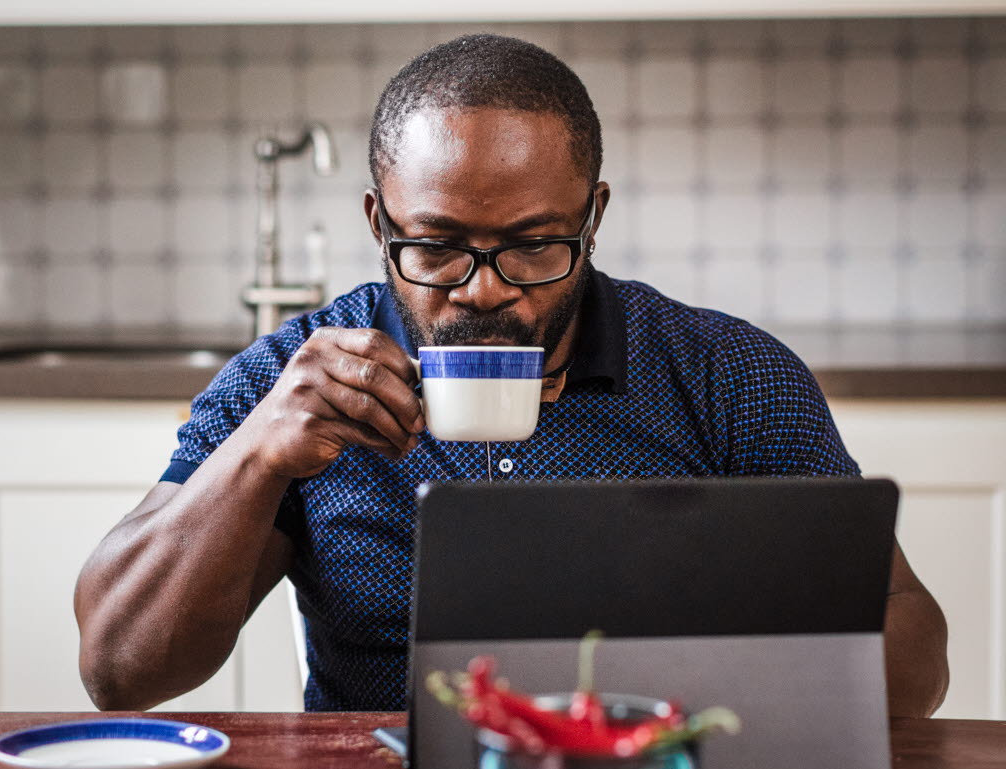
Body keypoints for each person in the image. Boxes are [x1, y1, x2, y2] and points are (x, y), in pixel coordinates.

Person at [75, 34, 948, 717]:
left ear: (593, 216)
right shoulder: (293, 384)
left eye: (534, 244)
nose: (484, 288)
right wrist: (258, 454)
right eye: (438, 245)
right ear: (379, 223)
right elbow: (120, 672)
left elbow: (916, 651)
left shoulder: (727, 376)